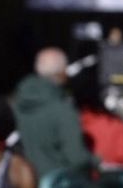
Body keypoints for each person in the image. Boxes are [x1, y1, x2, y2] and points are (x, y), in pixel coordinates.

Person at [11, 48, 96, 180]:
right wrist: (96, 162)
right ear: (62, 73)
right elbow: (77, 158)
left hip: (22, 185)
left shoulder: (16, 104)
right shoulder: (62, 109)